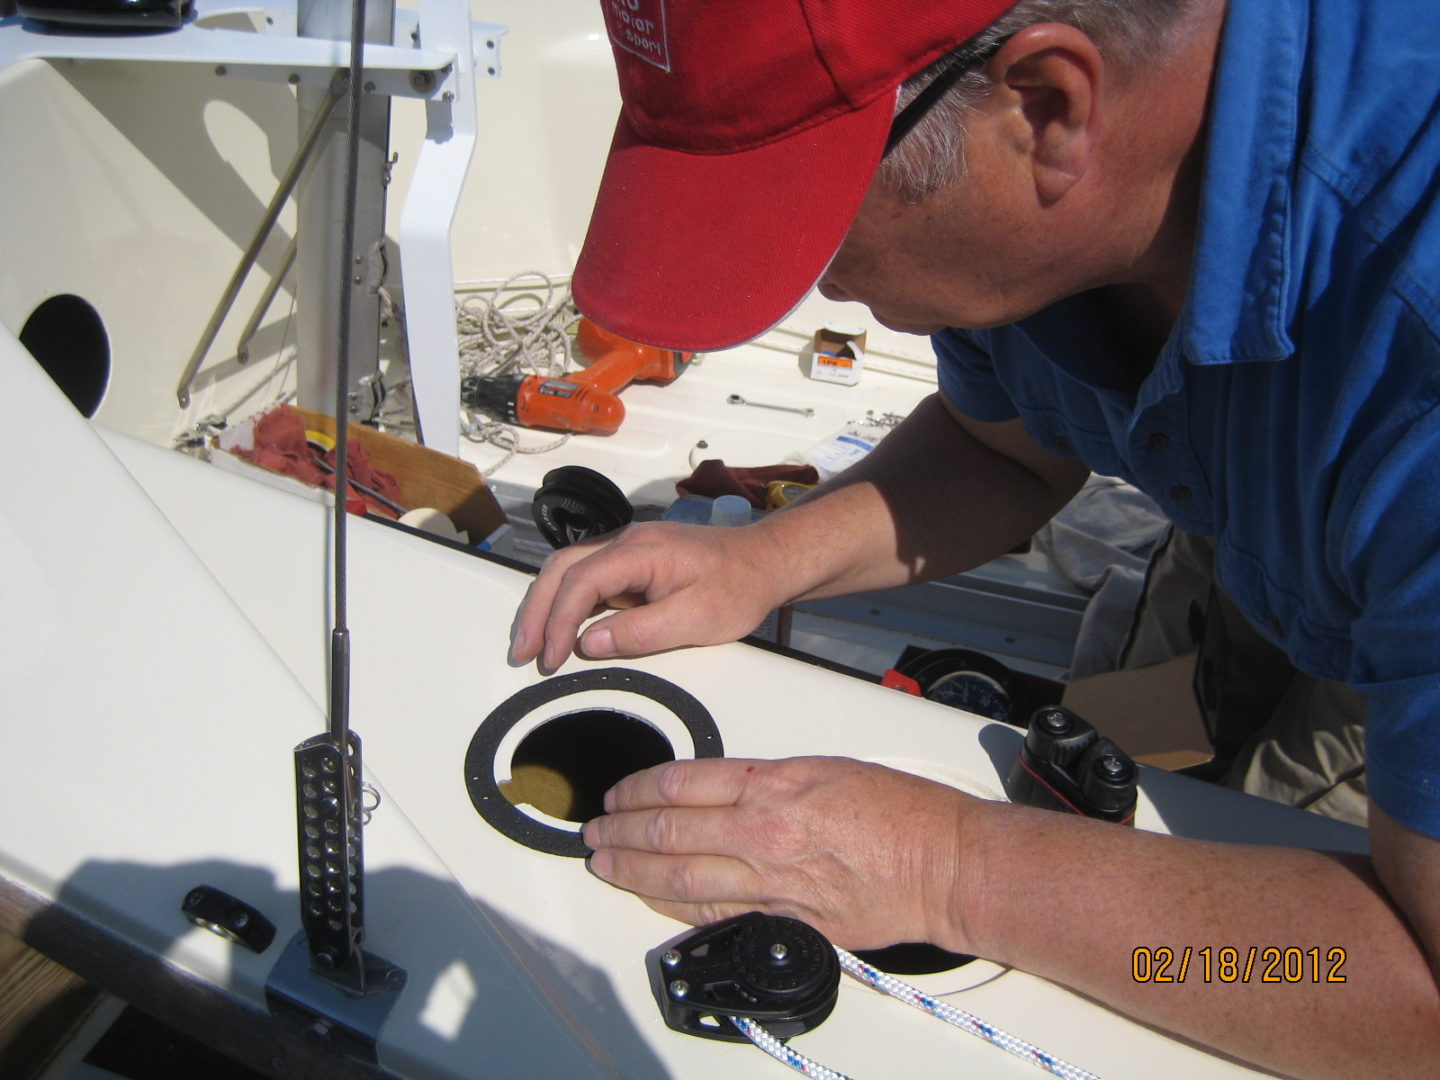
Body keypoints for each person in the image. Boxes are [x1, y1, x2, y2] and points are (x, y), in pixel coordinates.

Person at [511, 0, 1440, 1074]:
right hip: (1294, 518)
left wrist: (946, 867)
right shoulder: (1057, 206)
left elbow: (1419, 1002)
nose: (816, 281)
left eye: (818, 205)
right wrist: (759, 560)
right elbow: (1001, 446)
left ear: (1048, 110)